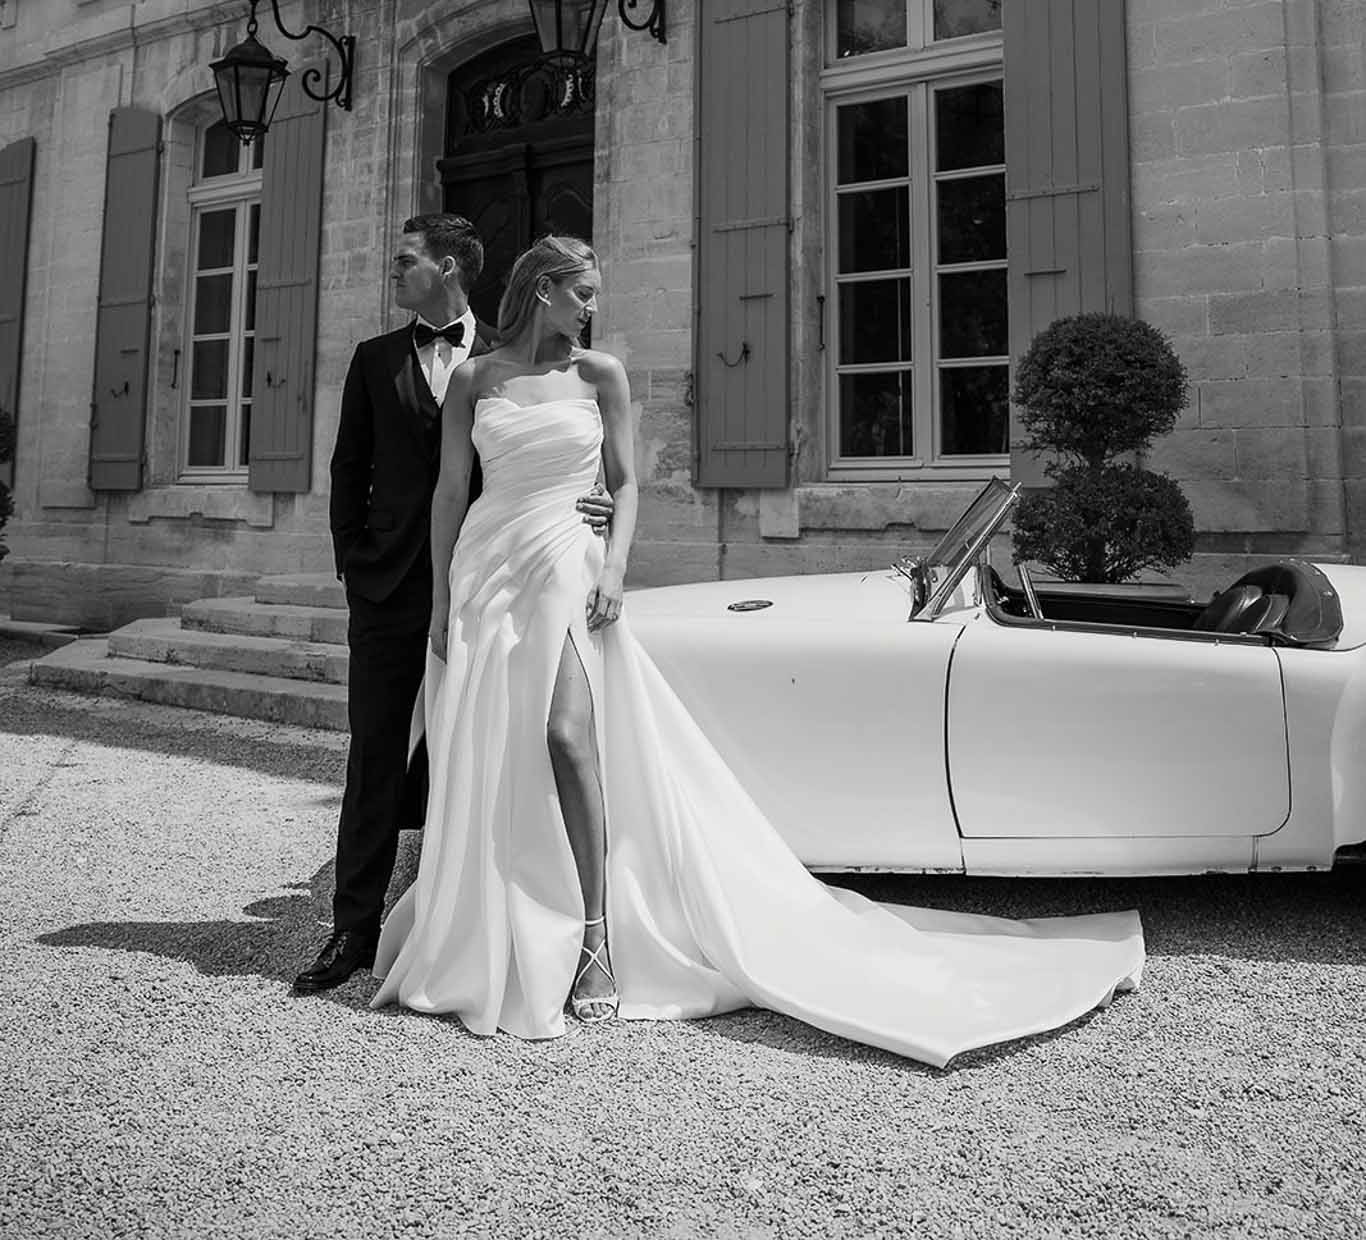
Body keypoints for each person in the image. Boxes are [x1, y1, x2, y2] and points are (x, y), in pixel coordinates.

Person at [372, 236, 1145, 1066]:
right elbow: (450, 492)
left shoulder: (602, 375)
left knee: (567, 736)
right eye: (582, 292)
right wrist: (442, 600)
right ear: (542, 291)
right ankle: (502, 924)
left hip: (569, 561)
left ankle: (595, 937)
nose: (592, 307)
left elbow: (624, 483)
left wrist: (617, 568)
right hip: (489, 566)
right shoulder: (477, 379)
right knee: (494, 746)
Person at [293, 213, 609, 996]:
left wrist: (592, 501)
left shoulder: (514, 355)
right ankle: (353, 928)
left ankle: (467, 916)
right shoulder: (373, 359)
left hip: (501, 579)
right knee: (374, 754)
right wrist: (353, 562)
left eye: (407, 260)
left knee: (480, 744)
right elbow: (348, 468)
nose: (393, 271)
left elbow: (568, 450)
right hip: (389, 587)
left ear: (451, 268)